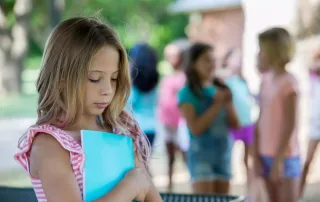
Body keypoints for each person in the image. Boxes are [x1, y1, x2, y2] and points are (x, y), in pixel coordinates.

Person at [14, 17, 162, 202]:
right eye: (94, 78)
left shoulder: (120, 131)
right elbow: (137, 183)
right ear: (61, 78)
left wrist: (139, 180)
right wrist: (130, 186)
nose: (107, 90)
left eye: (114, 78)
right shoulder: (49, 145)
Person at [178, 43, 240, 194]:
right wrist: (217, 105)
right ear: (193, 64)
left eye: (213, 60)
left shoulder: (222, 88)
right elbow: (195, 129)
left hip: (223, 154)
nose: (212, 64)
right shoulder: (186, 93)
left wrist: (228, 103)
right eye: (206, 60)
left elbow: (236, 125)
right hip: (200, 156)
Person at [254, 27, 300, 202]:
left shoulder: (289, 83)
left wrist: (278, 161)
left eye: (262, 49)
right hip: (264, 153)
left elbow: (290, 125)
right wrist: (256, 154)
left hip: (285, 156)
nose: (260, 53)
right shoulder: (265, 80)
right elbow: (260, 119)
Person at [158, 39, 190, 189]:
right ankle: (170, 186)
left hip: (180, 124)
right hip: (167, 123)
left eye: (173, 56)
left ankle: (192, 182)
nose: (170, 59)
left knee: (184, 155)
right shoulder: (167, 77)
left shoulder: (185, 78)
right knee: (169, 156)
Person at [128, 43, 159, 148]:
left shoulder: (134, 87)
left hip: (136, 128)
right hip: (152, 128)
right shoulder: (154, 84)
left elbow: (129, 106)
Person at [299, 49, 320, 200]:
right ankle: (297, 194)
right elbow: (310, 64)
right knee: (307, 160)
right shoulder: (314, 77)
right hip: (316, 125)